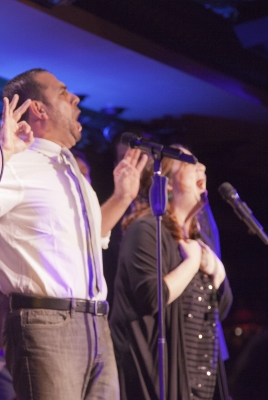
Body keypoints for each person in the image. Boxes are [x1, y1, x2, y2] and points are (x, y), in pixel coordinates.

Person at [0, 68, 147, 399]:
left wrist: (123, 196)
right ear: (38, 109)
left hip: (96, 324)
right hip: (46, 322)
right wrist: (1, 152)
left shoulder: (73, 173)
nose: (76, 98)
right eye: (64, 92)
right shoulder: (16, 163)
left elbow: (92, 240)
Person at [109, 146, 232, 400]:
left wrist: (217, 273)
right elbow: (152, 296)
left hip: (201, 384)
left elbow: (222, 308)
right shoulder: (146, 231)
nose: (203, 168)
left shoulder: (199, 241)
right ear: (165, 183)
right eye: (190, 164)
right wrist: (192, 263)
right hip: (162, 384)